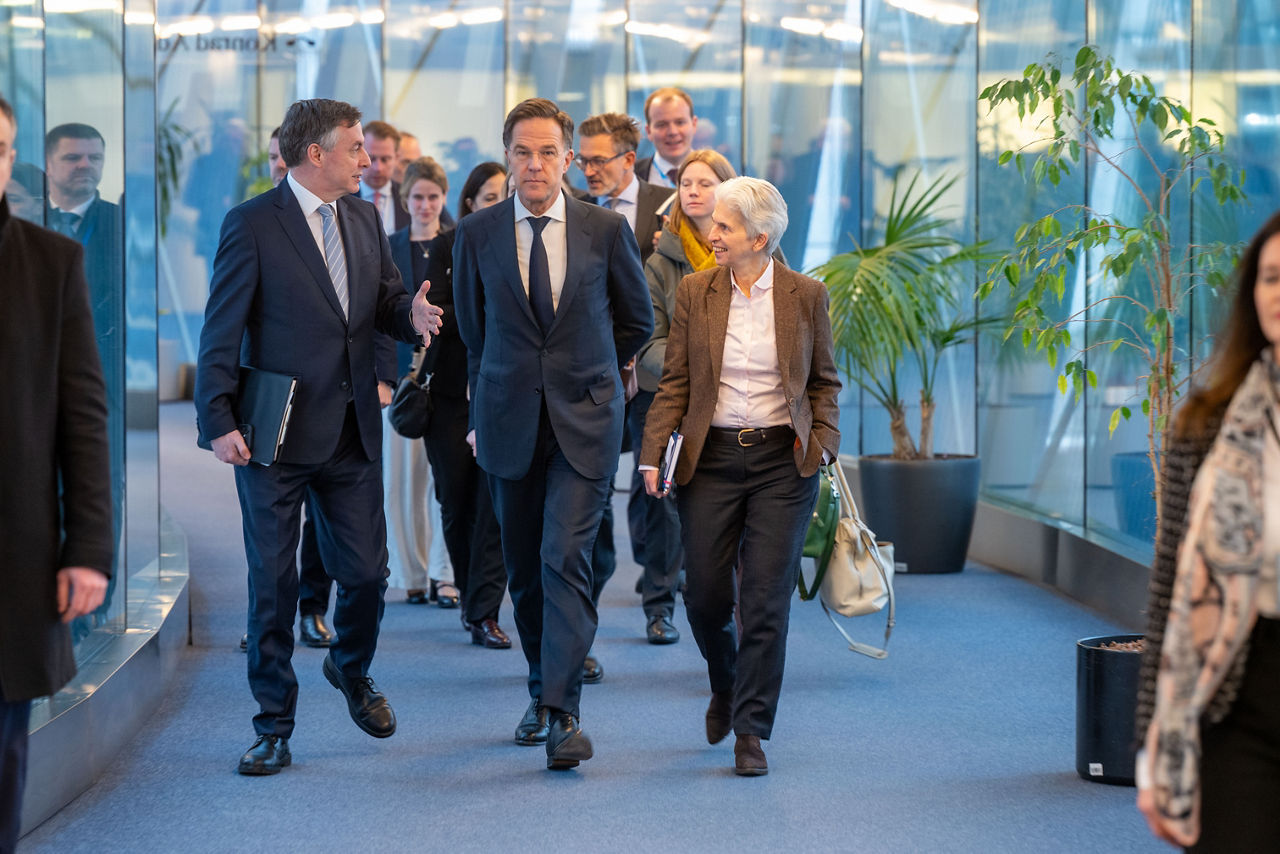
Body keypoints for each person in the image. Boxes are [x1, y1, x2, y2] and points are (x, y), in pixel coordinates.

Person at [194, 98, 442, 776]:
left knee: (366, 576)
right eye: (358, 149)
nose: (369, 161)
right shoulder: (251, 224)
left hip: (352, 427)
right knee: (272, 587)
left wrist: (409, 314)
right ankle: (273, 725)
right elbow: (220, 327)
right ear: (316, 155)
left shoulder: (363, 218)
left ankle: (349, 667)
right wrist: (216, 418)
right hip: (271, 432)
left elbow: (383, 303)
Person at [452, 98, 653, 770]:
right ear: (507, 156)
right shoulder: (477, 234)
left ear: (568, 160)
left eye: (547, 153)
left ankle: (565, 714)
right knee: (527, 573)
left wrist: (597, 372)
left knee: (564, 559)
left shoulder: (602, 229)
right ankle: (540, 691)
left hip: (587, 420)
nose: (534, 165)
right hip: (510, 422)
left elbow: (637, 320)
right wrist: (487, 404)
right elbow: (474, 336)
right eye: (522, 152)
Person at [640, 176, 841, 776]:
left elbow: (824, 382)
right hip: (713, 461)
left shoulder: (807, 295)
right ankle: (725, 685)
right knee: (703, 597)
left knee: (765, 600)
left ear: (760, 237)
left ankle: (751, 731)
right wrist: (652, 454)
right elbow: (675, 381)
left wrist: (825, 442)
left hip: (785, 463)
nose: (712, 233)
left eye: (724, 226)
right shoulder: (696, 292)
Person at [1136, 211, 1280, 850]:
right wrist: (1153, 746)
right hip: (1237, 698)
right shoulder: (1205, 424)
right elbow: (1168, 590)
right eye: (1272, 278)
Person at [0, 93, 113, 853]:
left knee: (3, 749)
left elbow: (83, 417)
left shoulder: (50, 262)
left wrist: (88, 549)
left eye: (2, 147)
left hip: (12, 551)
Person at [392, 159, 513, 648]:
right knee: (456, 502)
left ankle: (484, 609)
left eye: (504, 197)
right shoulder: (451, 245)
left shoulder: (524, 247)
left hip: (504, 395)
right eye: (489, 198)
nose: (499, 206)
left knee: (494, 504)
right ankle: (469, 597)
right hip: (449, 394)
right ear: (469, 204)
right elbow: (435, 318)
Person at [353, 120, 409, 234]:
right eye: (371, 158)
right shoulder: (340, 198)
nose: (378, 168)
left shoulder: (412, 197)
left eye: (385, 159)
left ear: (397, 158)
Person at [635, 87, 697, 189]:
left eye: (680, 122)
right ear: (648, 131)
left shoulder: (717, 176)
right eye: (662, 124)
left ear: (694, 124)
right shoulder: (631, 177)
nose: (673, 132)